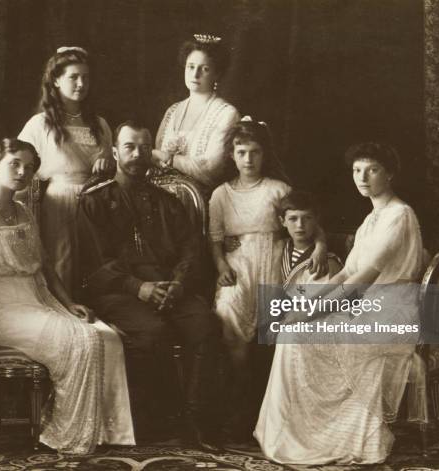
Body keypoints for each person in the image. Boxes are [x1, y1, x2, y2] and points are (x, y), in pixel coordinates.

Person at [0, 138, 134, 454]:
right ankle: (68, 435)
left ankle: (107, 433)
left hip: (41, 300)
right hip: (5, 310)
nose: (22, 171)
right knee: (83, 340)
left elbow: (45, 265)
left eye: (29, 167)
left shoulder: (24, 212)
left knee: (106, 336)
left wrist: (68, 303)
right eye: (14, 163)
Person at [254, 142, 424, 465]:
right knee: (293, 331)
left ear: (389, 174)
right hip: (372, 306)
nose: (363, 177)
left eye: (372, 170)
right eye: (357, 170)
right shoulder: (372, 218)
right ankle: (294, 433)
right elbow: (346, 271)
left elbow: (364, 280)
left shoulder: (398, 215)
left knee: (295, 336)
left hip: (391, 312)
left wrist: (312, 313)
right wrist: (305, 304)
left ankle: (322, 437)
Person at [77, 121, 219, 450]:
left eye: (144, 147)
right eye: (129, 146)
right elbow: (95, 263)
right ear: (115, 152)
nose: (137, 154)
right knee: (152, 332)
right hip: (119, 291)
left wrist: (179, 284)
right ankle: (155, 421)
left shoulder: (169, 202)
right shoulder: (95, 202)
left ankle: (196, 423)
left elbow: (189, 251)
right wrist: (137, 287)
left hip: (170, 288)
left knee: (206, 326)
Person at [209, 119, 328, 439]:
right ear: (232, 156)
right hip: (238, 265)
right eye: (242, 152)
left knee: (275, 333)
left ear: (264, 154)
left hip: (275, 263)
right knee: (230, 316)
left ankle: (270, 412)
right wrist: (221, 265)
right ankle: (238, 404)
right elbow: (216, 240)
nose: (249, 159)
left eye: (255, 152)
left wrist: (320, 247)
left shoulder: (278, 189)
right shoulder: (221, 194)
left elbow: (309, 224)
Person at [19, 46, 113, 295]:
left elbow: (113, 167)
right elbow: (19, 161)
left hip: (95, 201)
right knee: (63, 261)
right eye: (74, 77)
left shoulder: (100, 125)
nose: (81, 83)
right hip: (59, 202)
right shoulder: (41, 124)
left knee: (97, 261)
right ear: (57, 80)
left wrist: (105, 167)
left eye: (86, 77)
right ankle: (67, 310)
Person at [153, 34, 240, 191]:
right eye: (191, 67)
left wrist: (169, 158)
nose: (195, 74)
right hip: (162, 198)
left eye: (204, 69)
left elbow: (212, 168)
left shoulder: (226, 114)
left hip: (201, 200)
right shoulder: (172, 111)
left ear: (217, 74)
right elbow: (155, 157)